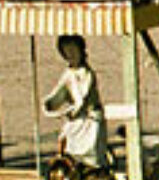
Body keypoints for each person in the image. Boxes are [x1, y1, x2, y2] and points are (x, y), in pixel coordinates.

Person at [42, 34, 110, 172]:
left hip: (90, 117)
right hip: (75, 116)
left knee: (90, 152)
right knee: (64, 137)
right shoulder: (68, 73)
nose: (71, 55)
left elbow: (83, 96)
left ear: (81, 51)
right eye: (67, 52)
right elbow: (60, 92)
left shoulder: (87, 73)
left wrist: (75, 109)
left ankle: (94, 169)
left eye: (73, 51)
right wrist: (49, 103)